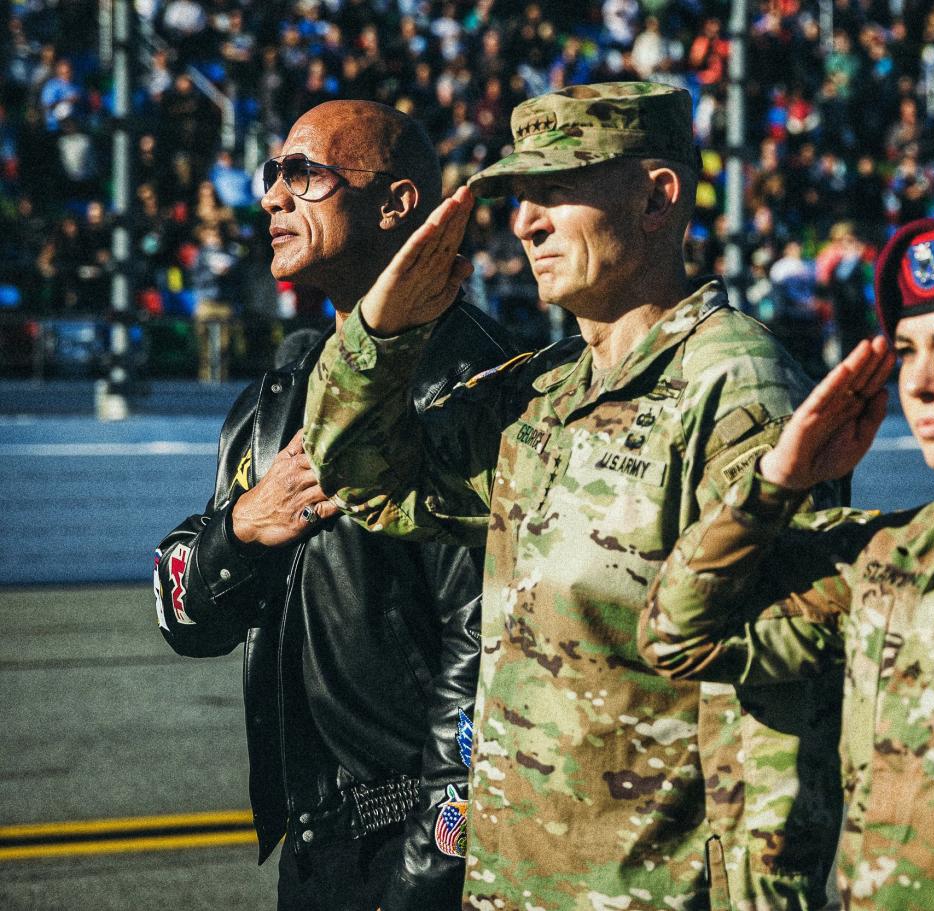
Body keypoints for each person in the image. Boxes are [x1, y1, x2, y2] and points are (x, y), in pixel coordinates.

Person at [303, 83, 843, 910]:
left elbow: (776, 702)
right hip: (513, 884)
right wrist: (381, 336)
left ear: (656, 198)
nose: (524, 222)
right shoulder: (546, 392)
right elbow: (364, 480)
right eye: (520, 198)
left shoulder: (739, 393)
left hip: (650, 891)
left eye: (554, 190)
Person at [155, 100, 518, 911]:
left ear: (396, 206)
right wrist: (242, 530)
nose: (273, 197)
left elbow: (488, 657)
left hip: (424, 852)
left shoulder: (475, 382)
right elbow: (183, 616)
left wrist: (426, 876)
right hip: (316, 857)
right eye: (272, 175)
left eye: (305, 174)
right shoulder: (275, 396)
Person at [638, 213, 934, 910]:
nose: (923, 383)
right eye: (907, 350)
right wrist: (776, 481)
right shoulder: (886, 554)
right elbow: (676, 634)